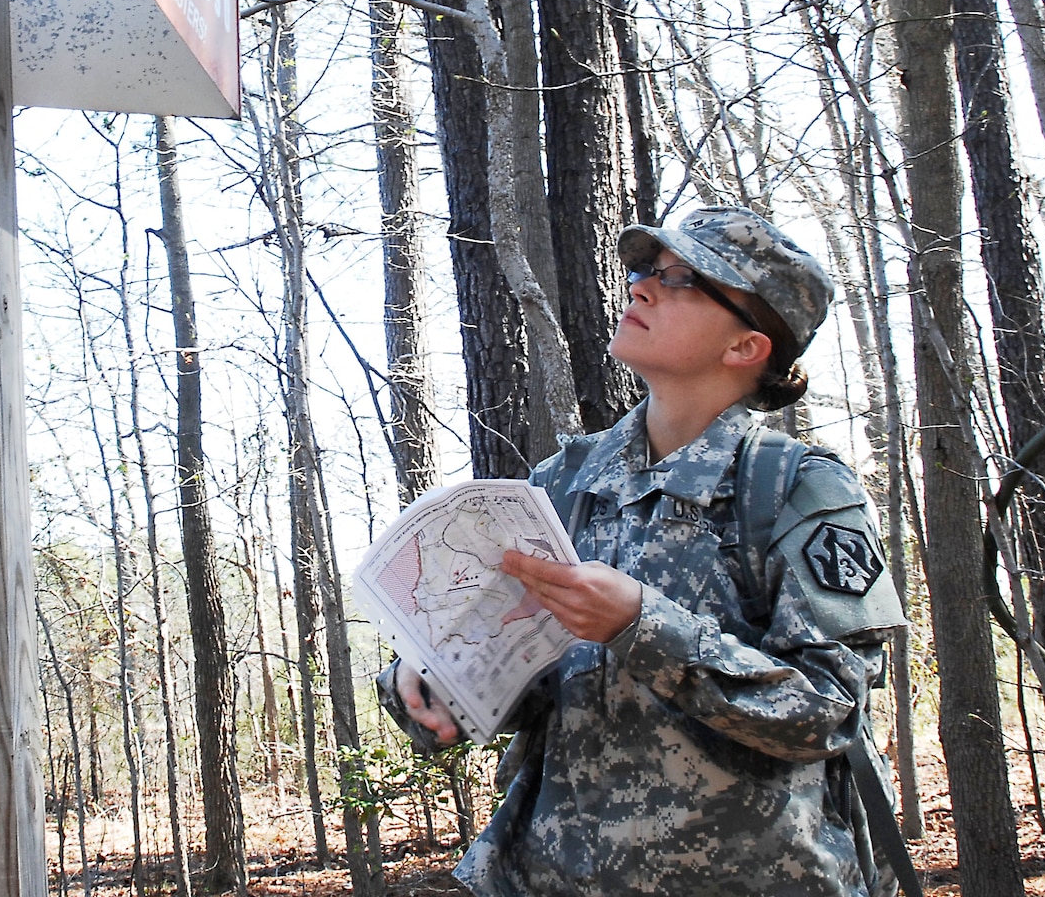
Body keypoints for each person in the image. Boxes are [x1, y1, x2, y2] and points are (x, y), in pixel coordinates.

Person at [378, 207, 907, 897]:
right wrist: (433, 683)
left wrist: (640, 626)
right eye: (643, 271)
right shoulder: (561, 483)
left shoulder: (798, 489)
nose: (642, 288)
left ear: (746, 347)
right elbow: (529, 684)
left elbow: (826, 711)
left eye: (682, 278)